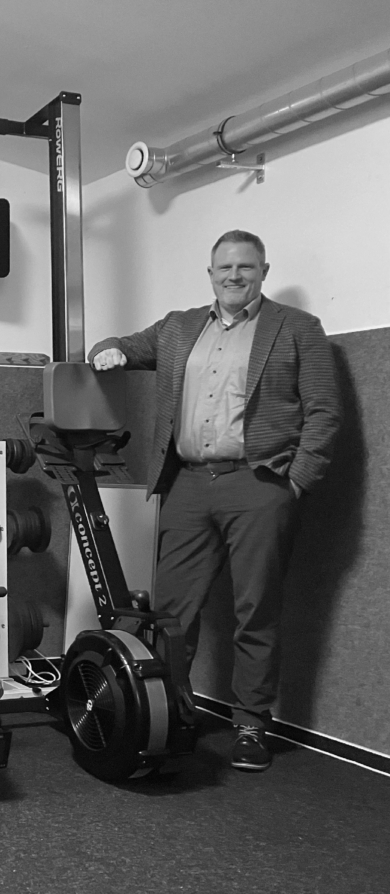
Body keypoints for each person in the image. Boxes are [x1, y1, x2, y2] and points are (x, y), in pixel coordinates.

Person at [89, 230, 341, 772]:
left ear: (263, 271)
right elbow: (120, 346)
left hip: (259, 483)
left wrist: (295, 482)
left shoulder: (297, 328)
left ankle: (250, 724)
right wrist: (106, 351)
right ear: (210, 274)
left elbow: (325, 411)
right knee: (171, 611)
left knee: (255, 609)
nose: (234, 275)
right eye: (225, 267)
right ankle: (169, 711)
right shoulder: (178, 327)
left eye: (245, 267)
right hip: (186, 483)